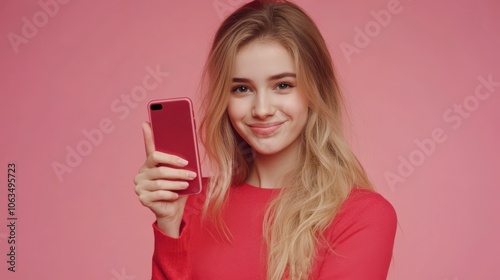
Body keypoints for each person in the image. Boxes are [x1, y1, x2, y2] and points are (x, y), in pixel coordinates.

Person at [134, 1, 397, 279]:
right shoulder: (193, 203)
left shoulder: (362, 215)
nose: (261, 109)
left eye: (282, 85)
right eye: (242, 88)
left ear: (315, 89)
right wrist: (170, 223)